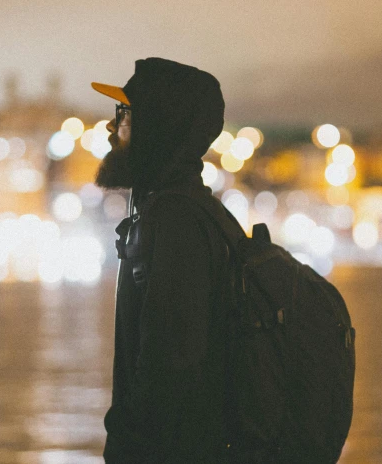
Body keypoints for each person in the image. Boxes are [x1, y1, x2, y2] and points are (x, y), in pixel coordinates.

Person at [92, 57, 233, 463]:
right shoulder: (185, 211)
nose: (110, 127)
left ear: (158, 126)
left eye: (124, 114)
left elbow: (168, 370)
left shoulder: (176, 222)